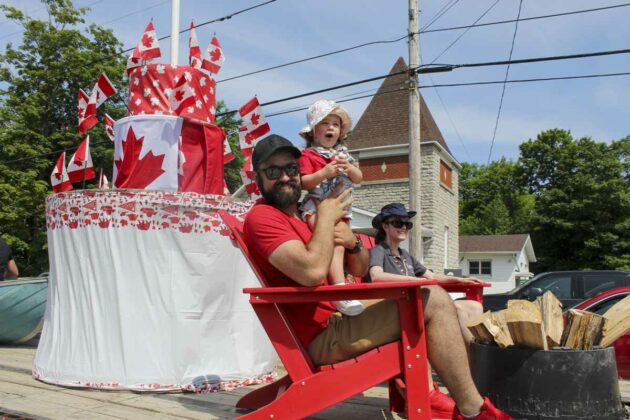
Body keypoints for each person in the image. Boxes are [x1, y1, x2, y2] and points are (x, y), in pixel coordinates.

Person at [243, 134, 510, 419]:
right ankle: (473, 411)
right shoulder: (263, 217)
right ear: (257, 176)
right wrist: (325, 218)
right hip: (322, 336)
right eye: (273, 171)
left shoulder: (301, 217)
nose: (285, 177)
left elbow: (359, 269)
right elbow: (310, 273)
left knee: (443, 302)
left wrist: (352, 243)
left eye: (291, 169)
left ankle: (443, 395)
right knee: (430, 300)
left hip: (340, 317)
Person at [368, 202, 484, 417]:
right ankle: (471, 380)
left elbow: (430, 276)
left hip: (419, 308)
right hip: (398, 312)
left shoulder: (405, 256)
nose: (404, 227)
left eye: (407, 223)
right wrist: (412, 281)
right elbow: (376, 276)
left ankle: (476, 374)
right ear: (385, 226)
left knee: (474, 307)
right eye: (398, 223)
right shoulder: (379, 252)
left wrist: (458, 279)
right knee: (456, 311)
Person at [297, 99, 364, 316]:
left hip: (341, 208)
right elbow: (304, 182)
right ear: (313, 131)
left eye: (335, 124)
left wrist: (349, 168)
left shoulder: (343, 155)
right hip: (316, 206)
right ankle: (337, 289)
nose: (331, 128)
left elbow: (359, 178)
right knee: (326, 235)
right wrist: (324, 172)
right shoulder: (308, 155)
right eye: (325, 123)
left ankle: (339, 287)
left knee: (340, 242)